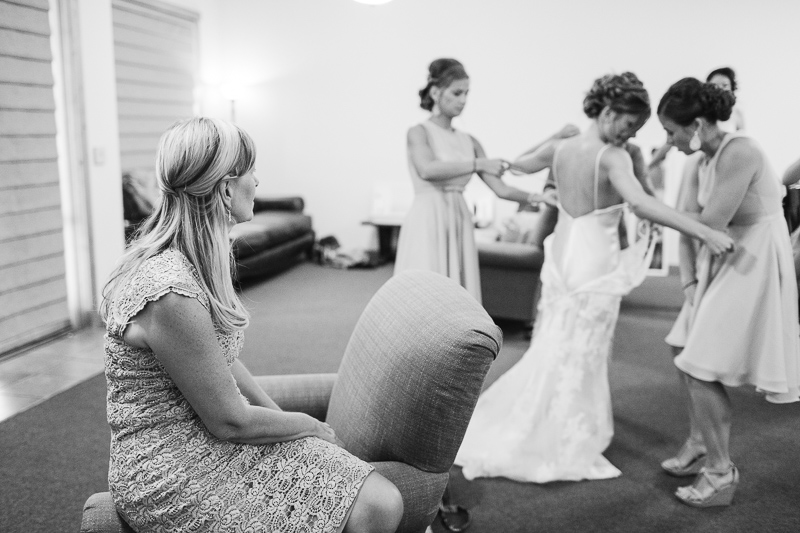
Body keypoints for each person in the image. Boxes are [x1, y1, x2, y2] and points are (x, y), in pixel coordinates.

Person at [99, 117, 403, 533]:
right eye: (251, 172)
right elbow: (230, 421)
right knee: (379, 504)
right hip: (169, 465)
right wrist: (310, 426)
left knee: (379, 502)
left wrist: (282, 421)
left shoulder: (199, 259)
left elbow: (219, 360)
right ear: (225, 188)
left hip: (206, 432)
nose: (257, 182)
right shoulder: (169, 290)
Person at [453, 72, 733, 484]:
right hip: (594, 264)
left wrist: (549, 138)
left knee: (556, 344)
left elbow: (515, 165)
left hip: (565, 255)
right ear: (607, 111)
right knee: (583, 350)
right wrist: (703, 231)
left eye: (637, 129)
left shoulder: (562, 146)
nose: (630, 134)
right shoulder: (614, 157)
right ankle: (567, 434)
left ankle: (548, 420)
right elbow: (639, 203)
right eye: (628, 125)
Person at [658, 78, 800, 507]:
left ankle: (721, 473)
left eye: (671, 131)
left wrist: (647, 205)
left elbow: (708, 223)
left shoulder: (741, 150)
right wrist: (688, 281)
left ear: (696, 123)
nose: (669, 141)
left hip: (751, 260)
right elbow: (691, 224)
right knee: (681, 346)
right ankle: (701, 441)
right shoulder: (698, 158)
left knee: (700, 366)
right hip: (719, 258)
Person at [394, 58, 572, 302]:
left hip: (458, 217)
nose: (463, 100)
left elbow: (501, 188)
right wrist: (478, 164)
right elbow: (427, 169)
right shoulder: (418, 132)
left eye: (467, 93)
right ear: (435, 92)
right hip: (427, 217)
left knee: (454, 295)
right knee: (423, 292)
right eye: (457, 93)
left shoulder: (471, 141)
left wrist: (538, 197)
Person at [706, 67, 745, 132]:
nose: (720, 89)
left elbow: (742, 137)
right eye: (714, 85)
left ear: (732, 87)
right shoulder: (701, 111)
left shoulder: (737, 111)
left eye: (725, 85)